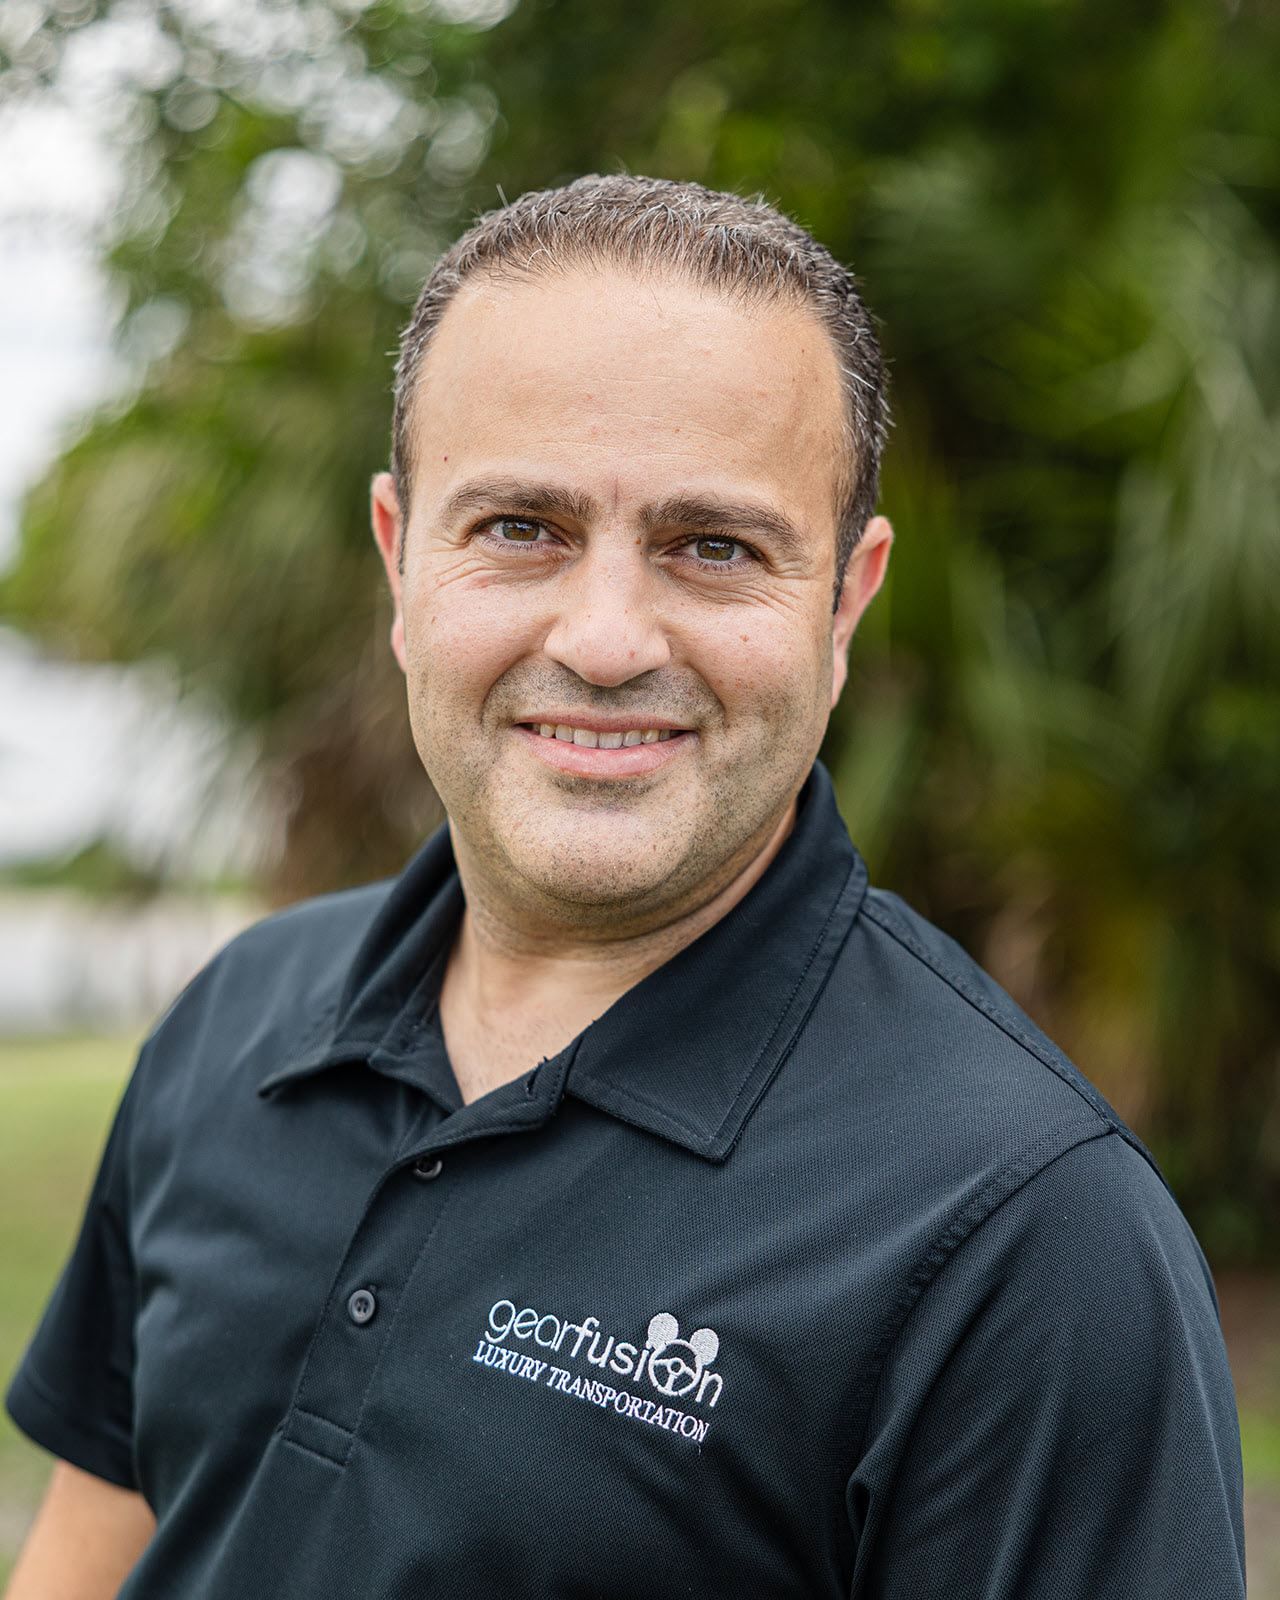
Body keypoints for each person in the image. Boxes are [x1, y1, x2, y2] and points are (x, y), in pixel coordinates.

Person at [4, 175, 1245, 1599]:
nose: (602, 639)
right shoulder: (238, 1020)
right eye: (521, 527)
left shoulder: (1030, 1239)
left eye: (712, 547)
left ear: (845, 600)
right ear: (402, 560)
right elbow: (89, 1555)